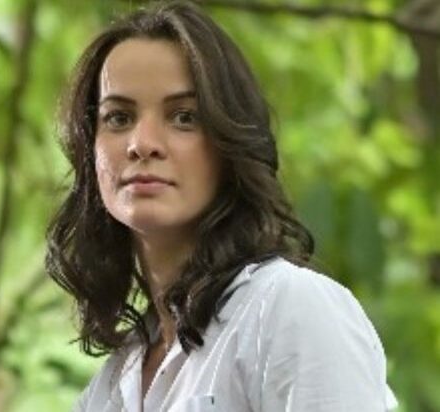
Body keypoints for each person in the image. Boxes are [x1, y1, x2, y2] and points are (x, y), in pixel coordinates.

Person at [44, 1, 398, 411]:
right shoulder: (113, 384)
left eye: (184, 117)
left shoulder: (289, 308)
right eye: (119, 118)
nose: (142, 143)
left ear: (230, 141)